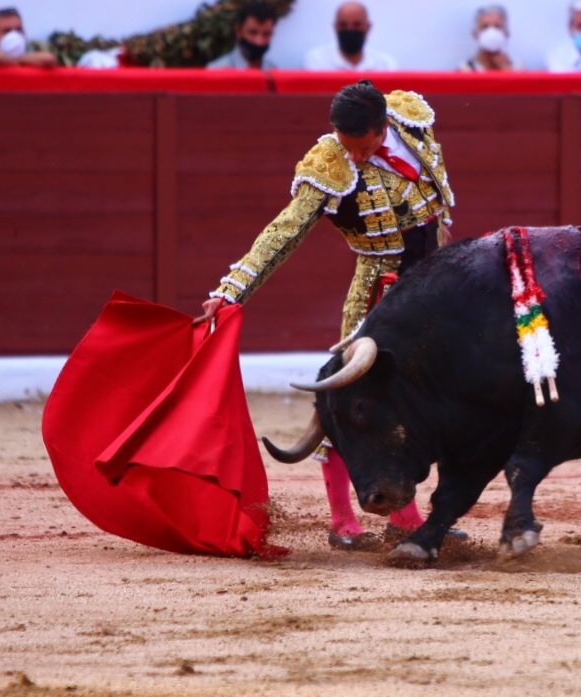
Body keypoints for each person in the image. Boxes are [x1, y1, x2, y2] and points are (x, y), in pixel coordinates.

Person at [197, 80, 457, 549]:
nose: (353, 156)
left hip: (433, 286)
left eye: (361, 146)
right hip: (380, 290)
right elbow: (285, 230)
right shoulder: (330, 164)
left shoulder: (412, 122)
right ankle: (345, 521)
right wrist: (232, 290)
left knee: (427, 400)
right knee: (352, 401)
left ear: (383, 130)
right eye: (345, 144)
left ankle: (408, 515)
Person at [303, 2, 397, 71]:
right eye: (343, 24)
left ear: (368, 26)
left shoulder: (385, 64)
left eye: (356, 24)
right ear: (335, 27)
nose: (350, 29)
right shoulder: (318, 60)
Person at [208, 1, 278, 70]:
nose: (259, 41)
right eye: (253, 33)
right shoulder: (216, 71)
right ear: (239, 31)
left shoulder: (273, 72)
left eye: (266, 34)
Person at [460, 4, 519, 72]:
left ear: (506, 33)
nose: (491, 32)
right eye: (485, 27)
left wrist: (507, 69)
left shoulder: (518, 69)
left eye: (497, 26)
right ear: (475, 34)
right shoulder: (464, 70)